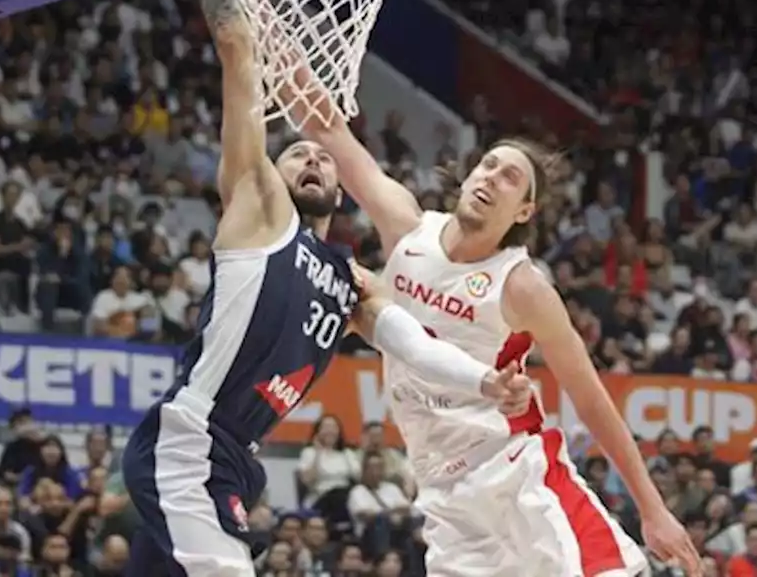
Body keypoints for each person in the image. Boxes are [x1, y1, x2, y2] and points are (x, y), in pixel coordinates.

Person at [120, 0, 531, 577]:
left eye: (324, 157)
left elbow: (409, 343)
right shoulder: (257, 207)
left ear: (340, 194)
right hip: (188, 442)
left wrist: (484, 381)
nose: (312, 157)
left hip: (232, 460)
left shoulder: (348, 279)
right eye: (297, 155)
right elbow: (237, 51)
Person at [290, 84, 702, 576]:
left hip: (518, 477)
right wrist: (271, 47)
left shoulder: (523, 287)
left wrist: (652, 509)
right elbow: (328, 128)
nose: (492, 177)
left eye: (510, 178)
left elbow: (591, 399)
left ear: (524, 212)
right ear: (468, 176)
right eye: (488, 165)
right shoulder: (407, 229)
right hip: (444, 498)